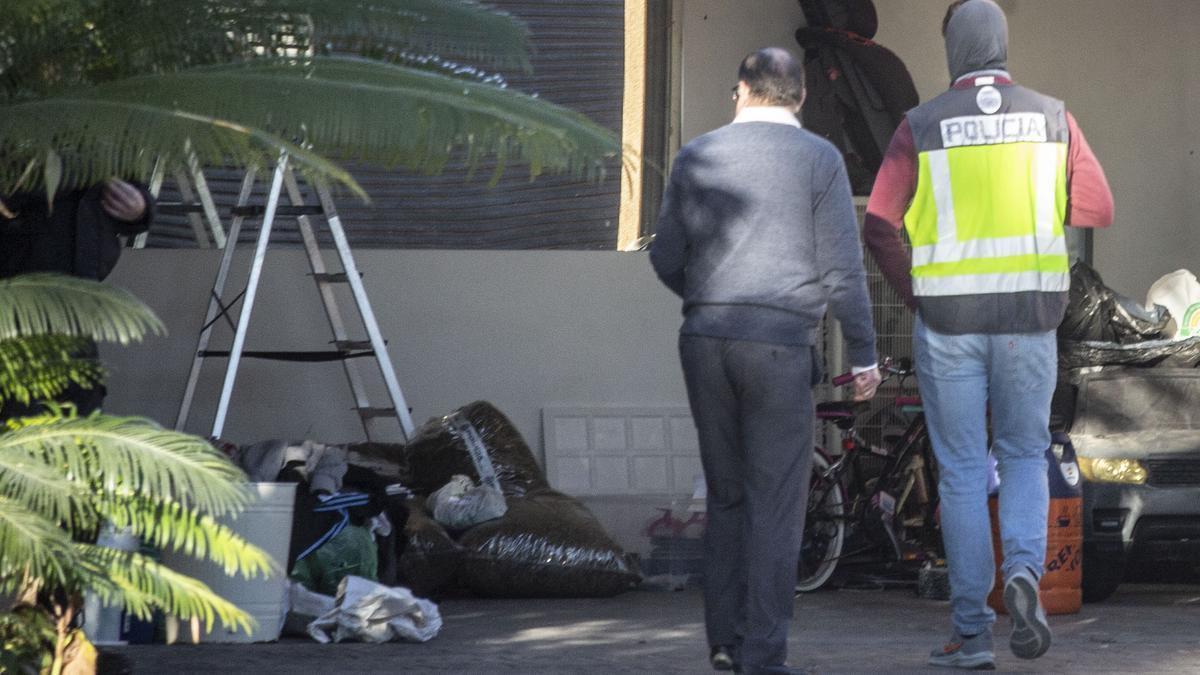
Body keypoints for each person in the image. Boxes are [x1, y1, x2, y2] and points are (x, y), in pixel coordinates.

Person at [864, 1, 1113, 669]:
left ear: (954, 51)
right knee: (1026, 454)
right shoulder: (1053, 117)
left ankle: (972, 634)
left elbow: (880, 224)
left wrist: (915, 292)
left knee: (965, 472)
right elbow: (1099, 207)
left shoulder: (921, 125)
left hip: (948, 324)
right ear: (1002, 45)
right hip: (1028, 322)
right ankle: (1025, 574)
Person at [651, 47, 881, 675]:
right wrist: (863, 352)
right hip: (780, 346)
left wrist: (708, 298)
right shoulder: (820, 160)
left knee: (725, 496)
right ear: (800, 97)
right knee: (776, 505)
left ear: (740, 91)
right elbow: (840, 269)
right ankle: (763, 656)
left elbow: (665, 255)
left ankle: (723, 643)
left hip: (704, 341)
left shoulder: (697, 154)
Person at [0, 178, 154, 418]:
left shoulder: (110, 142)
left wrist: (141, 208)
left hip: (79, 295)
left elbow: (130, 183)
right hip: (18, 288)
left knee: (78, 406)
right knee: (18, 404)